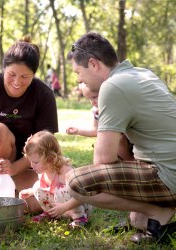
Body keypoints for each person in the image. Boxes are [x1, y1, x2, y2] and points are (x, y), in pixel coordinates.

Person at [66, 32, 176, 243]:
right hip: (167, 166)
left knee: (75, 182)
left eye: (79, 72)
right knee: (123, 146)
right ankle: (151, 212)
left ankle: (157, 213)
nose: (79, 79)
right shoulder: (143, 73)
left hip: (168, 175)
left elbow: (103, 160)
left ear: (93, 64)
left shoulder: (113, 86)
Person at [0, 37, 58, 213]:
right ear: (4, 68)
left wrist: (14, 168)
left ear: (34, 75)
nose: (17, 82)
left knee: (38, 204)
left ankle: (7, 190)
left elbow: (46, 145)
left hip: (28, 162)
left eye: (25, 77)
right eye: (12, 74)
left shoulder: (43, 94)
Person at [19, 131, 91, 228]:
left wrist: (64, 207)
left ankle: (80, 218)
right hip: (60, 209)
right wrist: (30, 192)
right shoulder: (44, 172)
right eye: (30, 161)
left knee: (61, 190)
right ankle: (51, 213)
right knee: (37, 187)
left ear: (49, 159)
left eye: (35, 162)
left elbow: (82, 195)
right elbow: (49, 189)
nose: (32, 166)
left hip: (78, 205)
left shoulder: (65, 172)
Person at [66, 83, 134, 161]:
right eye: (89, 99)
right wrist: (78, 131)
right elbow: (96, 130)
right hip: (113, 143)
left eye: (94, 97)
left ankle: (129, 164)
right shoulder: (96, 112)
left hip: (127, 141)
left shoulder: (115, 107)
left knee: (120, 139)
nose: (92, 102)